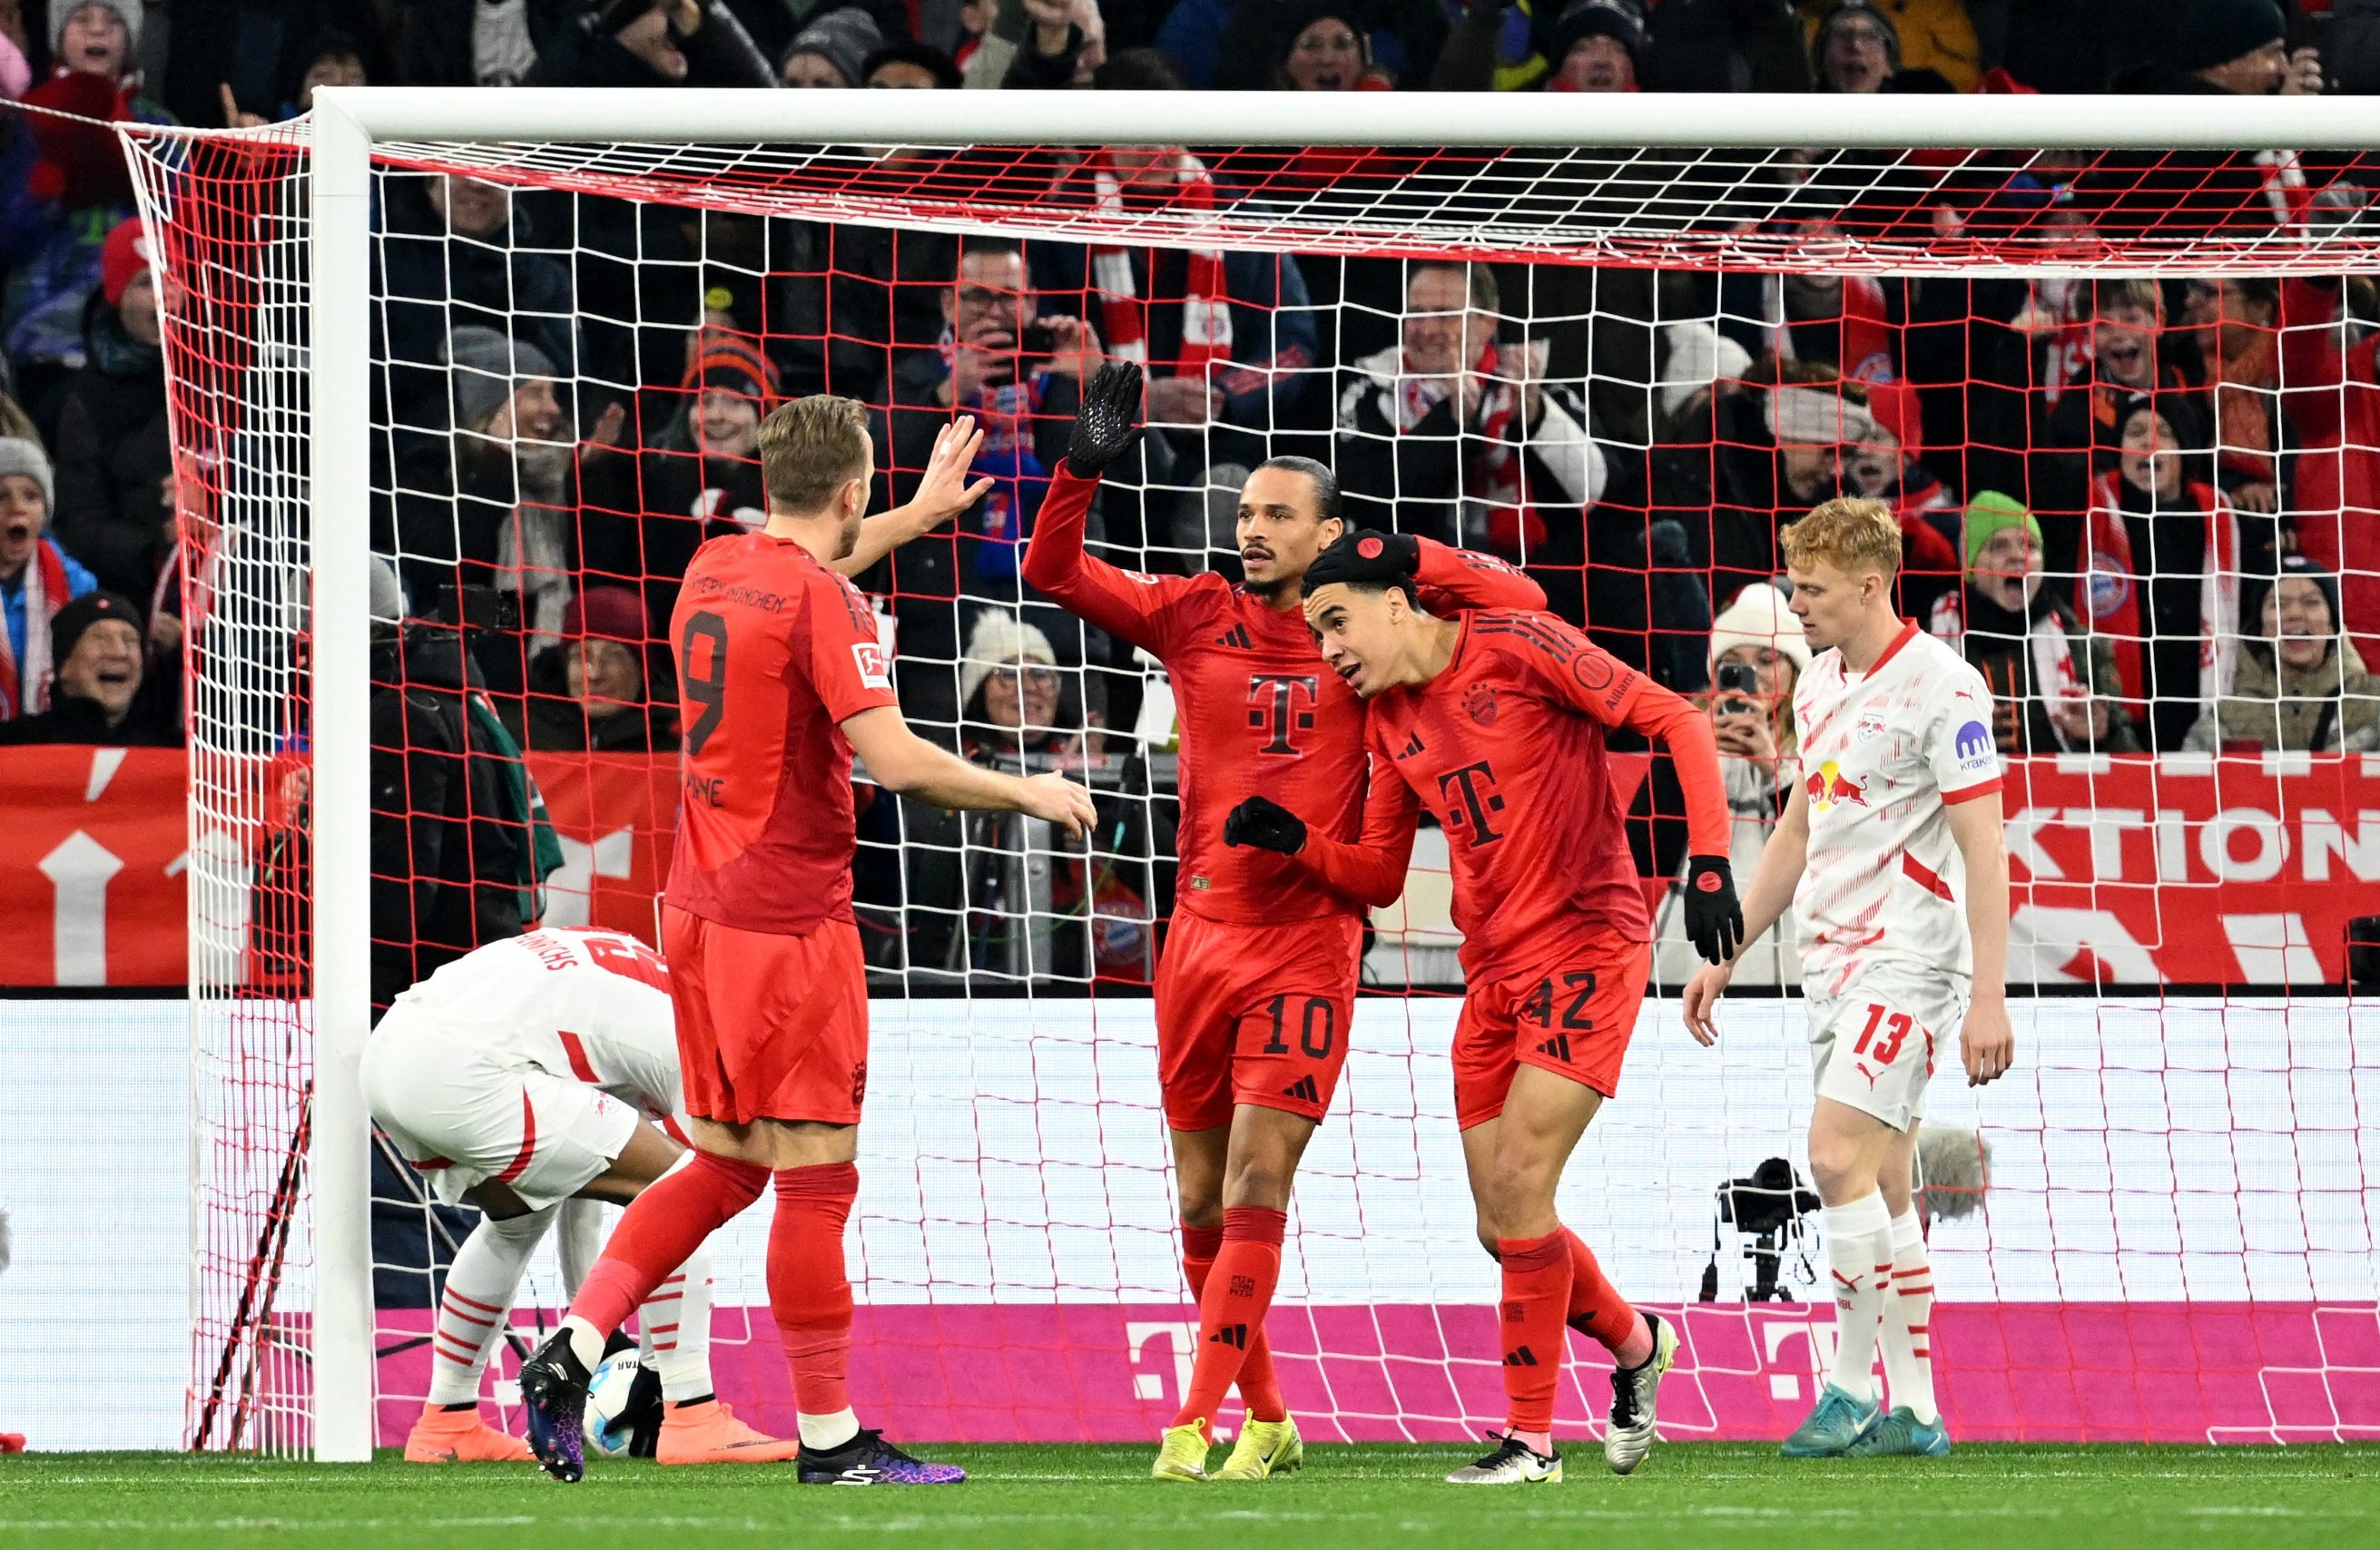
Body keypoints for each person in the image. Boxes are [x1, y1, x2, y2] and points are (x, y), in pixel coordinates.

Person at [515, 394, 1096, 1486]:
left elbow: (810, 567)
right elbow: (902, 760)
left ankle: (576, 1343)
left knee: (729, 1162)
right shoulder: (830, 604)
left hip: (694, 907)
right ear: (848, 489)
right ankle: (831, 1440)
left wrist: (915, 512)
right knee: (818, 1178)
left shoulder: (715, 564)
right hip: (787, 920)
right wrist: (1030, 787)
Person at [1024, 364, 1549, 1483]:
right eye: (1244, 513)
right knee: (1200, 1199)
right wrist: (1081, 466)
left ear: (1330, 535)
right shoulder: (1191, 613)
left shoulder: (1371, 635)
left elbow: (1524, 605)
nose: (1250, 530)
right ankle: (1265, 1412)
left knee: (1263, 1180)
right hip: (1197, 940)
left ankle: (1192, 1423)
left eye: (1275, 516)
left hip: (1308, 944)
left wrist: (1410, 561)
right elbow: (1050, 568)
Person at [1300, 525, 1736, 1486]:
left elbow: (1680, 721)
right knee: (1502, 1224)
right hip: (1491, 969)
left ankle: (1531, 1440)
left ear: (1396, 602)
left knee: (1526, 1182)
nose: (1329, 650)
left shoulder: (1521, 644)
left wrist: (1708, 860)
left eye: (1337, 623)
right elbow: (1376, 874)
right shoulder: (1383, 719)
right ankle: (1636, 1344)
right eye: (1317, 634)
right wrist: (1294, 842)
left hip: (1588, 940)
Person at [1682, 496, 2015, 1460]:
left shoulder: (1945, 689)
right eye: (1795, 582)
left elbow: (1984, 848)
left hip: (1910, 959)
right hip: (1830, 960)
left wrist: (1987, 994)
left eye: (1815, 589)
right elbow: (1799, 828)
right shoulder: (1820, 685)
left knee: (1832, 1160)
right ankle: (1915, 1409)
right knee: (1885, 1184)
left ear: (1873, 585)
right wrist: (1729, 948)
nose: (1799, 603)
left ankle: (1848, 1386)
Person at [364, 927, 803, 1467]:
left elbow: (583, 1186)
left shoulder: (648, 973)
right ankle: (692, 1413)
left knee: (517, 1220)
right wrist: (612, 1339)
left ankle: (446, 1422)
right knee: (682, 1191)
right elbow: (684, 1197)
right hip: (469, 1071)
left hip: (392, 1053)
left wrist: (602, 1326)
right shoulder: (704, 1039)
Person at [1336, 261, 1605, 560]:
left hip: (1524, 582)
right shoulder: (1372, 386)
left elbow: (1593, 494)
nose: (1425, 330)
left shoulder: (1532, 382)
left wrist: (1535, 420)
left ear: (1487, 323)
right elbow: (1363, 501)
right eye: (1415, 313)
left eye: (1444, 314)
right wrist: (1452, 423)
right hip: (1406, 581)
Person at [1646, 583, 1807, 988]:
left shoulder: (1818, 741)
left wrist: (1776, 770)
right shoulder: (1684, 734)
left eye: (1767, 660)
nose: (1750, 676)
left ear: (1795, 669)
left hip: (1789, 949)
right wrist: (1689, 754)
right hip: (1686, 944)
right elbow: (1645, 852)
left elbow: (1827, 853)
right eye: (1733, 664)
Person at [2075, 393, 2248, 750]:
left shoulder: (2217, 515)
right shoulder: (2091, 508)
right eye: (2135, 431)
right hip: (2118, 720)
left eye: (2164, 432)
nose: (2147, 441)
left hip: (2196, 707)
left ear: (2184, 450)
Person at [1930, 491, 2139, 756]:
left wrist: (2101, 737)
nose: (2019, 557)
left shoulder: (2083, 646)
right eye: (1998, 546)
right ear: (1971, 566)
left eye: (2029, 546)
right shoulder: (1931, 647)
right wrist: (1959, 741)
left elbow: (2131, 767)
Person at [53, 217, 172, 603]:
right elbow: (80, 523)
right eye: (145, 282)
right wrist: (156, 546)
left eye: (172, 278)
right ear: (117, 296)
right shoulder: (86, 400)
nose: (163, 296)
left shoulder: (221, 375)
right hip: (135, 595)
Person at [2185, 557, 2380, 753]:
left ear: (2333, 625)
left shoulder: (2374, 704)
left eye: (2311, 602)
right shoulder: (2226, 718)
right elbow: (2190, 779)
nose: (2294, 614)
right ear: (2261, 629)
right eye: (2278, 604)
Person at [0, 587, 173, 745]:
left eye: (130, 640)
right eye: (100, 639)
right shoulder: (16, 743)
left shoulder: (181, 752)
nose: (119, 652)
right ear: (64, 666)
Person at [0, 437, 96, 721]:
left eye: (31, 496)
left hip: (51, 743)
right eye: (1, 496)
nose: (17, 506)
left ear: (45, 513)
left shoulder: (76, 585)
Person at [523, 585, 681, 753]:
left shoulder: (678, 741)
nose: (594, 674)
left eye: (613, 657)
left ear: (643, 670)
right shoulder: (522, 734)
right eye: (580, 657)